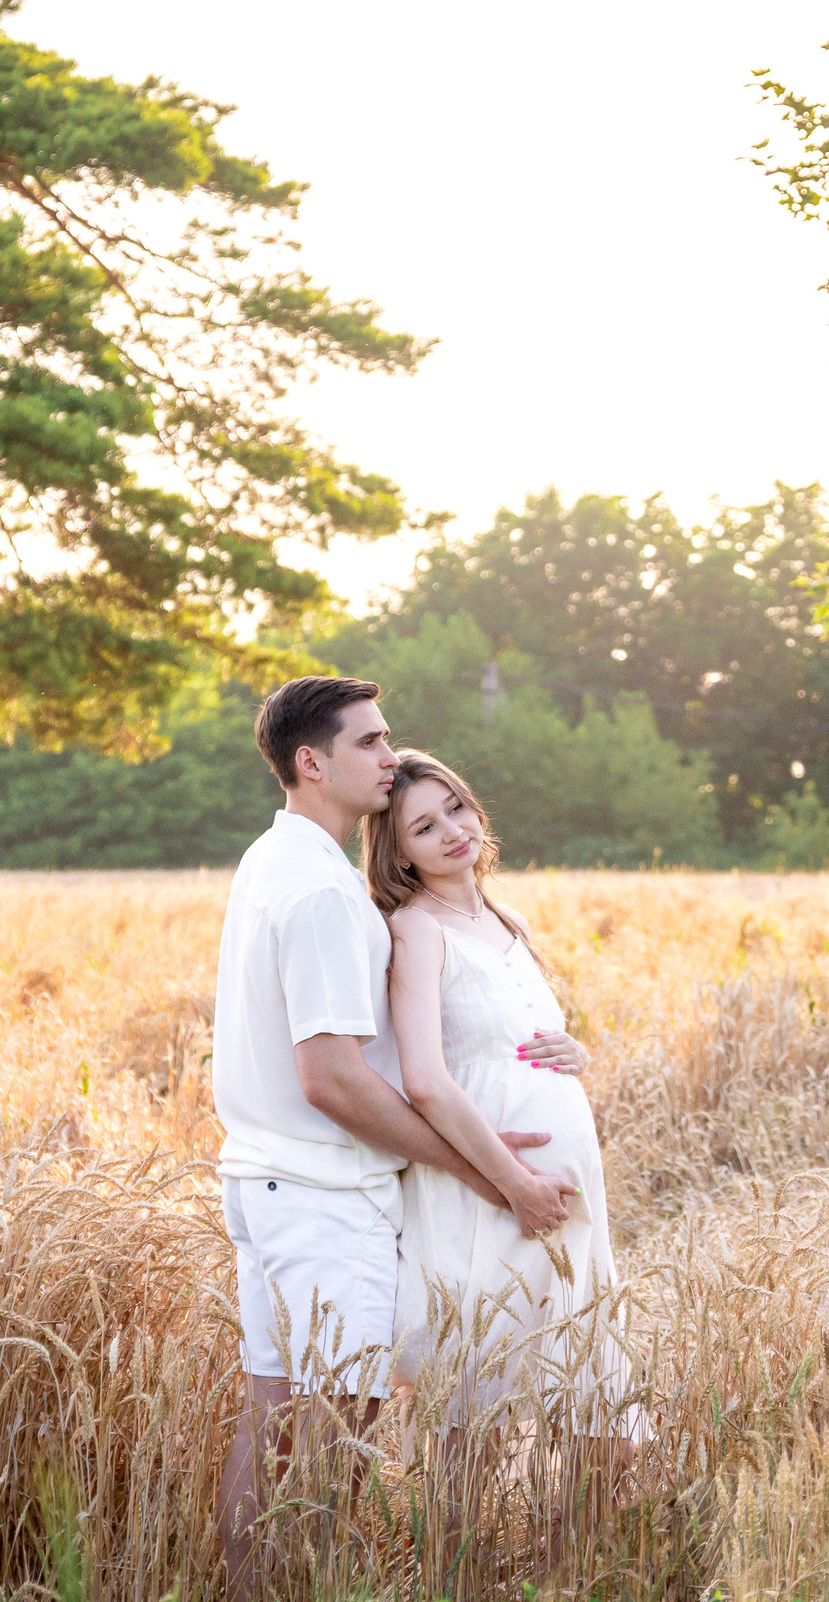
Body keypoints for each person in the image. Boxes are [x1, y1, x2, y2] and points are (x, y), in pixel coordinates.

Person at [212, 676, 589, 1598]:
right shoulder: (323, 895)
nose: (390, 756)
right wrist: (481, 1169)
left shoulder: (275, 860)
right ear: (313, 761)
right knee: (336, 1431)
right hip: (321, 1194)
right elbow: (331, 1077)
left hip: (269, 1182)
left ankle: (250, 1586)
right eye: (371, 743)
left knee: (276, 1418)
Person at [364, 751, 645, 1546]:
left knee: (605, 1424)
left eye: (456, 807)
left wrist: (574, 1053)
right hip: (489, 1190)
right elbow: (426, 1078)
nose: (452, 830)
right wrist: (511, 1178)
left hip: (564, 1198)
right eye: (424, 825)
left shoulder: (503, 916)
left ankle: (558, 1572)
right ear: (399, 850)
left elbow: (509, 1038)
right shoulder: (414, 929)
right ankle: (456, 1573)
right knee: (475, 1417)